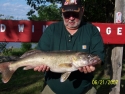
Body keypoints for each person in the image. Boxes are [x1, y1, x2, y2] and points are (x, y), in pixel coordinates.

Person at [34, 0, 105, 94]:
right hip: (52, 89)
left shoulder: (92, 30)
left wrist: (95, 63)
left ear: (82, 10)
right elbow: (38, 53)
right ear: (62, 12)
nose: (71, 18)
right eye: (67, 14)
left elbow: (98, 57)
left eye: (75, 13)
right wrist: (38, 66)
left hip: (85, 90)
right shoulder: (52, 30)